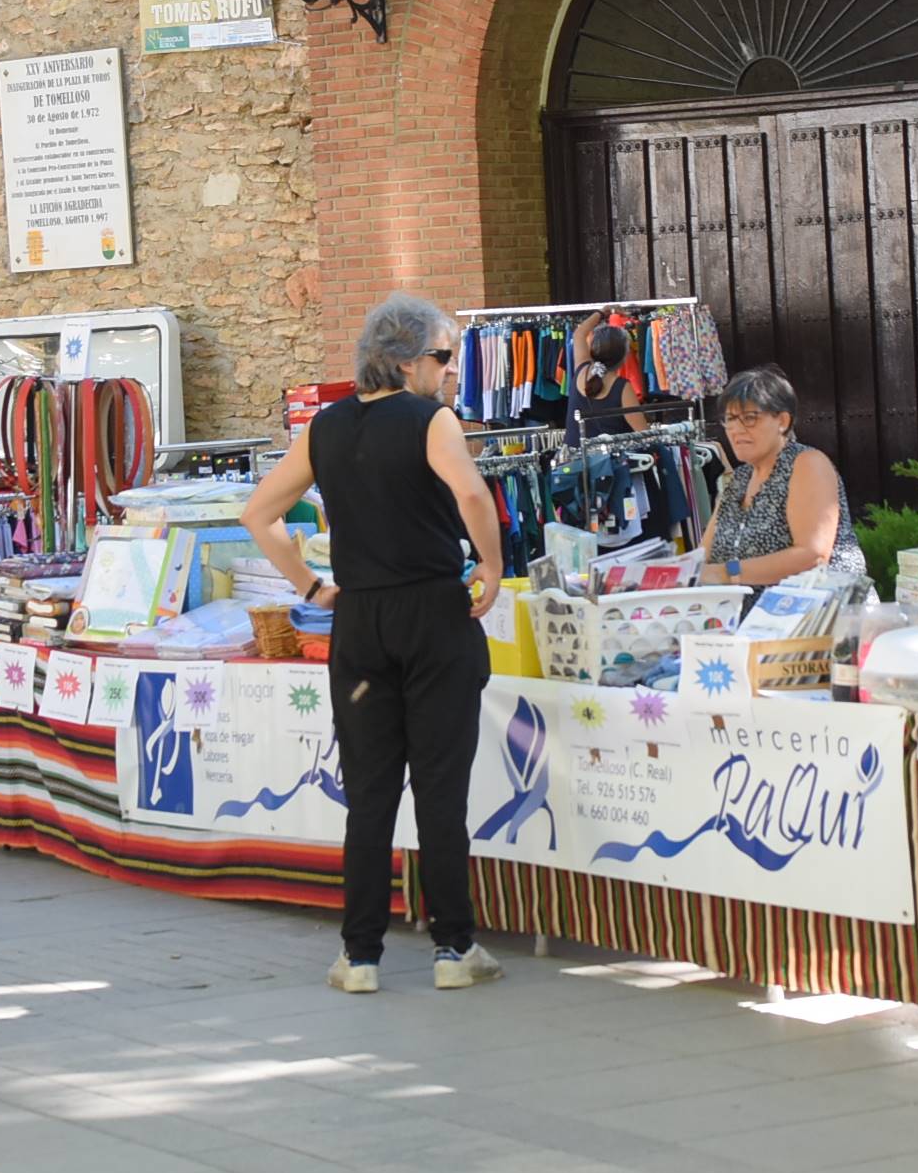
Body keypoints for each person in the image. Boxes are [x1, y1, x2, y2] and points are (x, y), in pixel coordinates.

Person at [244, 293, 507, 996]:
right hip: (432, 612)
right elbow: (474, 498)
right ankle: (454, 947)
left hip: (358, 622)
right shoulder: (432, 421)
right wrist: (491, 564)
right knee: (439, 787)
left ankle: (359, 956)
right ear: (407, 359)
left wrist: (309, 586)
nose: (450, 372)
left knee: (369, 790)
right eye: (443, 358)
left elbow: (260, 513)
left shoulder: (325, 428)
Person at [700, 365, 869, 589]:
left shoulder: (807, 463)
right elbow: (702, 557)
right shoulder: (739, 479)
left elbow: (812, 556)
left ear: (783, 421)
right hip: (750, 620)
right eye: (730, 419)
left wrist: (725, 572)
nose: (736, 429)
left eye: (750, 418)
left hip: (818, 616)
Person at [571, 323, 648, 436]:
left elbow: (579, 334)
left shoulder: (581, 370)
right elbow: (644, 433)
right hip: (609, 452)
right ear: (623, 356)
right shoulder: (622, 387)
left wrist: (602, 312)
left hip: (572, 452)